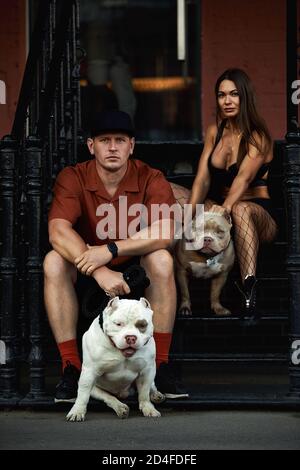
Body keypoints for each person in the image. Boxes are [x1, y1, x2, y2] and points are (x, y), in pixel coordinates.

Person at [43, 109, 188, 402]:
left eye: (120, 140)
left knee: (161, 258)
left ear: (131, 146)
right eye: (104, 140)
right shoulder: (74, 176)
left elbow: (166, 231)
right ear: (90, 145)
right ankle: (71, 367)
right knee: (53, 261)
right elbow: (58, 230)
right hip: (86, 266)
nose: (112, 147)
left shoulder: (150, 177)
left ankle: (158, 365)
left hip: (134, 266)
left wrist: (110, 250)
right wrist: (99, 269)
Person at [188, 68, 278, 323]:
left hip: (258, 214)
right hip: (223, 209)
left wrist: (225, 207)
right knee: (184, 198)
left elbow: (244, 179)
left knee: (239, 210)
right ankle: (185, 287)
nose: (227, 101)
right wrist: (189, 212)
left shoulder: (258, 136)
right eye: (221, 95)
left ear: (245, 97)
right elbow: (203, 178)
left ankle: (249, 288)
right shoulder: (215, 132)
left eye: (234, 94)